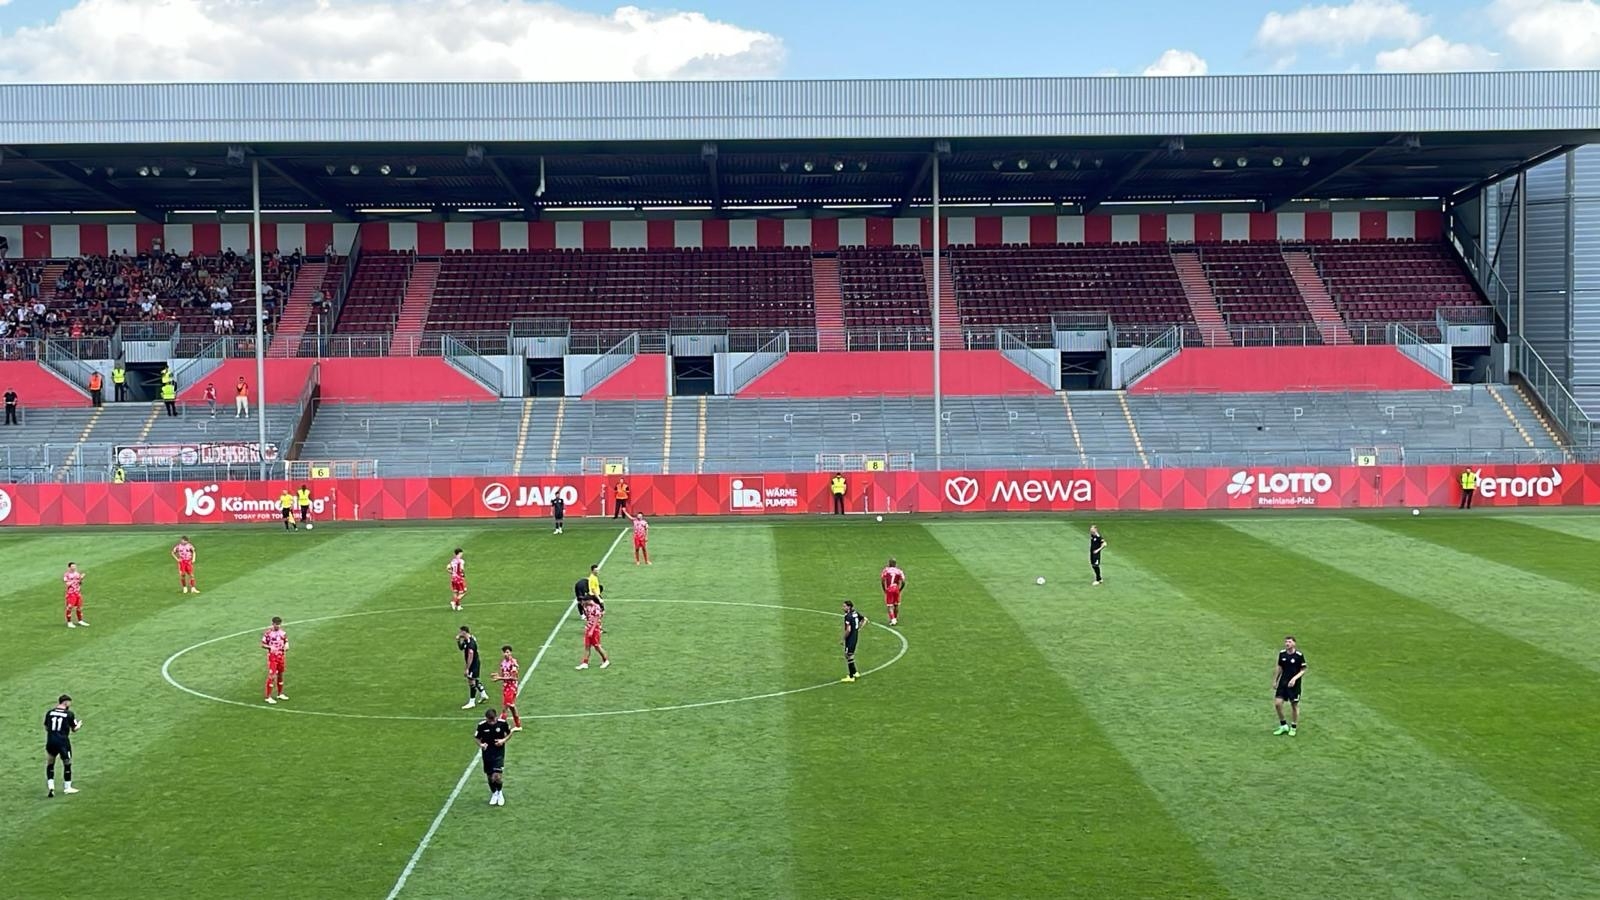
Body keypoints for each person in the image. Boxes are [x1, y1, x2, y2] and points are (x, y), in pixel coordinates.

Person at [45, 694, 82, 798]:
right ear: (65, 702)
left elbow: (46, 727)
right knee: (67, 763)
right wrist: (79, 725)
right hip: (63, 742)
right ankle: (67, 787)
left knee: (50, 763)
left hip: (51, 741)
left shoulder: (50, 713)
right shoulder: (69, 714)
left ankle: (51, 787)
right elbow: (74, 729)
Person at [475, 707, 512, 807]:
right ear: (486, 718)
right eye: (489, 720)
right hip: (487, 753)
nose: (491, 722)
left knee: (497, 776)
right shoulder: (481, 725)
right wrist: (481, 745)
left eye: (493, 720)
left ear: (496, 717)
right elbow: (477, 738)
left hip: (498, 753)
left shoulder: (502, 723)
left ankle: (500, 792)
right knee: (490, 777)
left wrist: (503, 740)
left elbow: (509, 733)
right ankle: (494, 793)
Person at [1273, 636, 1307, 736]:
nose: (1287, 643)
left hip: (1294, 685)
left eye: (1289, 642)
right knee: (1278, 704)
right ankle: (1283, 725)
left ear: (1294, 643)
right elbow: (1279, 667)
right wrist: (1275, 680)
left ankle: (1293, 727)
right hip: (1283, 683)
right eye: (1286, 642)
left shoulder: (1299, 655)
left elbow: (1303, 670)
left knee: (1294, 705)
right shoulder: (1282, 654)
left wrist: (1294, 679)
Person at [457, 625, 489, 709]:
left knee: (471, 681)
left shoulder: (470, 643)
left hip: (473, 664)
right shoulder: (466, 640)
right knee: (474, 679)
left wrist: (467, 668)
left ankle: (472, 702)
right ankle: (483, 694)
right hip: (473, 663)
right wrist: (458, 640)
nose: (459, 633)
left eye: (460, 632)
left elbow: (470, 655)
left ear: (464, 632)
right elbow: (461, 648)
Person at [576, 596, 611, 670]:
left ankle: (606, 661)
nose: (582, 603)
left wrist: (591, 630)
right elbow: (588, 617)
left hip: (595, 629)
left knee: (597, 646)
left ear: (588, 600)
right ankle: (585, 663)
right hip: (588, 628)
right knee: (587, 646)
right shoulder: (586, 607)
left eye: (583, 601)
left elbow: (596, 619)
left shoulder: (596, 607)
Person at [494, 645, 523, 732]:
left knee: (505, 707)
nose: (506, 654)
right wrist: (498, 676)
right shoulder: (503, 663)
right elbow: (504, 675)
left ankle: (499, 727)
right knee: (511, 706)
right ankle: (518, 725)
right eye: (504, 652)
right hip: (506, 686)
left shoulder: (513, 663)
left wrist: (499, 678)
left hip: (512, 687)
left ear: (510, 653)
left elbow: (513, 677)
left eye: (507, 652)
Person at [262, 616, 289, 704]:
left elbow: (286, 641)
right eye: (276, 624)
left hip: (281, 656)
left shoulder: (283, 633)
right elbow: (263, 644)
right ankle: (268, 697)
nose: (278, 626)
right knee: (272, 676)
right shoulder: (268, 633)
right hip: (273, 657)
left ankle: (280, 694)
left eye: (279, 624)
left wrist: (287, 645)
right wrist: (270, 647)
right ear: (272, 624)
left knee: (280, 674)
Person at [841, 600, 867, 682]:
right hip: (855, 636)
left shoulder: (848, 616)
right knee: (850, 655)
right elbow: (864, 619)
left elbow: (848, 630)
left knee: (848, 655)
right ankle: (855, 672)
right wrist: (858, 629)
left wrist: (843, 638)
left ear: (849, 607)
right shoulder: (855, 613)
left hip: (850, 638)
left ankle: (851, 676)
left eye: (844, 606)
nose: (843, 608)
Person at [880, 557, 906, 626]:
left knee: (890, 606)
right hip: (896, 588)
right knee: (896, 604)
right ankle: (895, 618)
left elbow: (882, 580)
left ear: (889, 563)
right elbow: (903, 582)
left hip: (890, 588)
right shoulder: (899, 571)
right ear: (895, 564)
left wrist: (884, 589)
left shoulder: (886, 570)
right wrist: (900, 589)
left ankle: (893, 619)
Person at [63, 562, 88, 628]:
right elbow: (68, 584)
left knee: (79, 607)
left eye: (75, 566)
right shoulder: (66, 575)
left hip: (77, 592)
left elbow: (80, 583)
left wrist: (81, 579)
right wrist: (77, 580)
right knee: (70, 607)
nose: (74, 567)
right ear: (69, 567)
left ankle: (80, 620)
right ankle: (69, 622)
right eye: (72, 566)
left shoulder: (77, 574)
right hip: (71, 593)